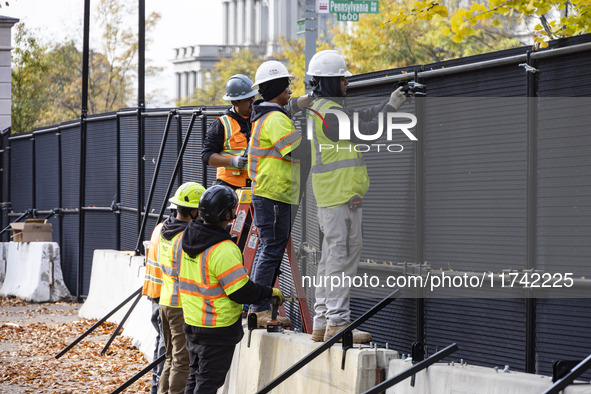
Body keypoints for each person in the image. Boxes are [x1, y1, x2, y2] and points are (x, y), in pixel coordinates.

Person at [306, 50, 407, 344]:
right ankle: (337, 323)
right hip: (341, 195)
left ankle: (322, 322)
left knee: (329, 259)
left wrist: (385, 105)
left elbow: (358, 118)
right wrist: (390, 109)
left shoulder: (320, 108)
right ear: (329, 82)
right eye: (342, 79)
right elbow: (366, 132)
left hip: (330, 195)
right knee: (342, 257)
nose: (346, 84)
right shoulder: (329, 113)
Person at [178, 185, 285, 394]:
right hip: (217, 328)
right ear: (227, 214)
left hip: (193, 322)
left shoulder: (189, 239)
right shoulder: (224, 249)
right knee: (208, 383)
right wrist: (269, 292)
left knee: (195, 378)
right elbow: (240, 291)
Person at [246, 60, 310, 328]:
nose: (290, 92)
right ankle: (259, 308)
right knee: (271, 249)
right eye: (288, 87)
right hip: (274, 193)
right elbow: (297, 150)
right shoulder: (275, 119)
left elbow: (289, 106)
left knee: (267, 248)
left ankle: (256, 305)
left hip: (269, 192)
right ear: (278, 88)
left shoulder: (265, 114)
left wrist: (307, 102)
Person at [158, 182, 206, 394]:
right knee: (182, 361)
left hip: (165, 301)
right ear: (194, 211)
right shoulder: (185, 237)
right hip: (180, 306)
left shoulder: (165, 231)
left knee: (170, 358)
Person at [201, 74, 258, 190]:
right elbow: (207, 156)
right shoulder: (221, 124)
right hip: (229, 188)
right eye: (248, 100)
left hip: (257, 186)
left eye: (253, 98)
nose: (253, 102)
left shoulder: (260, 120)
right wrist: (232, 161)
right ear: (235, 102)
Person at [142, 220, 165, 394]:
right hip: (166, 297)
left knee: (160, 345)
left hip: (156, 293)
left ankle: (155, 389)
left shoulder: (159, 228)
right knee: (165, 349)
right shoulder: (175, 233)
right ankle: (157, 389)